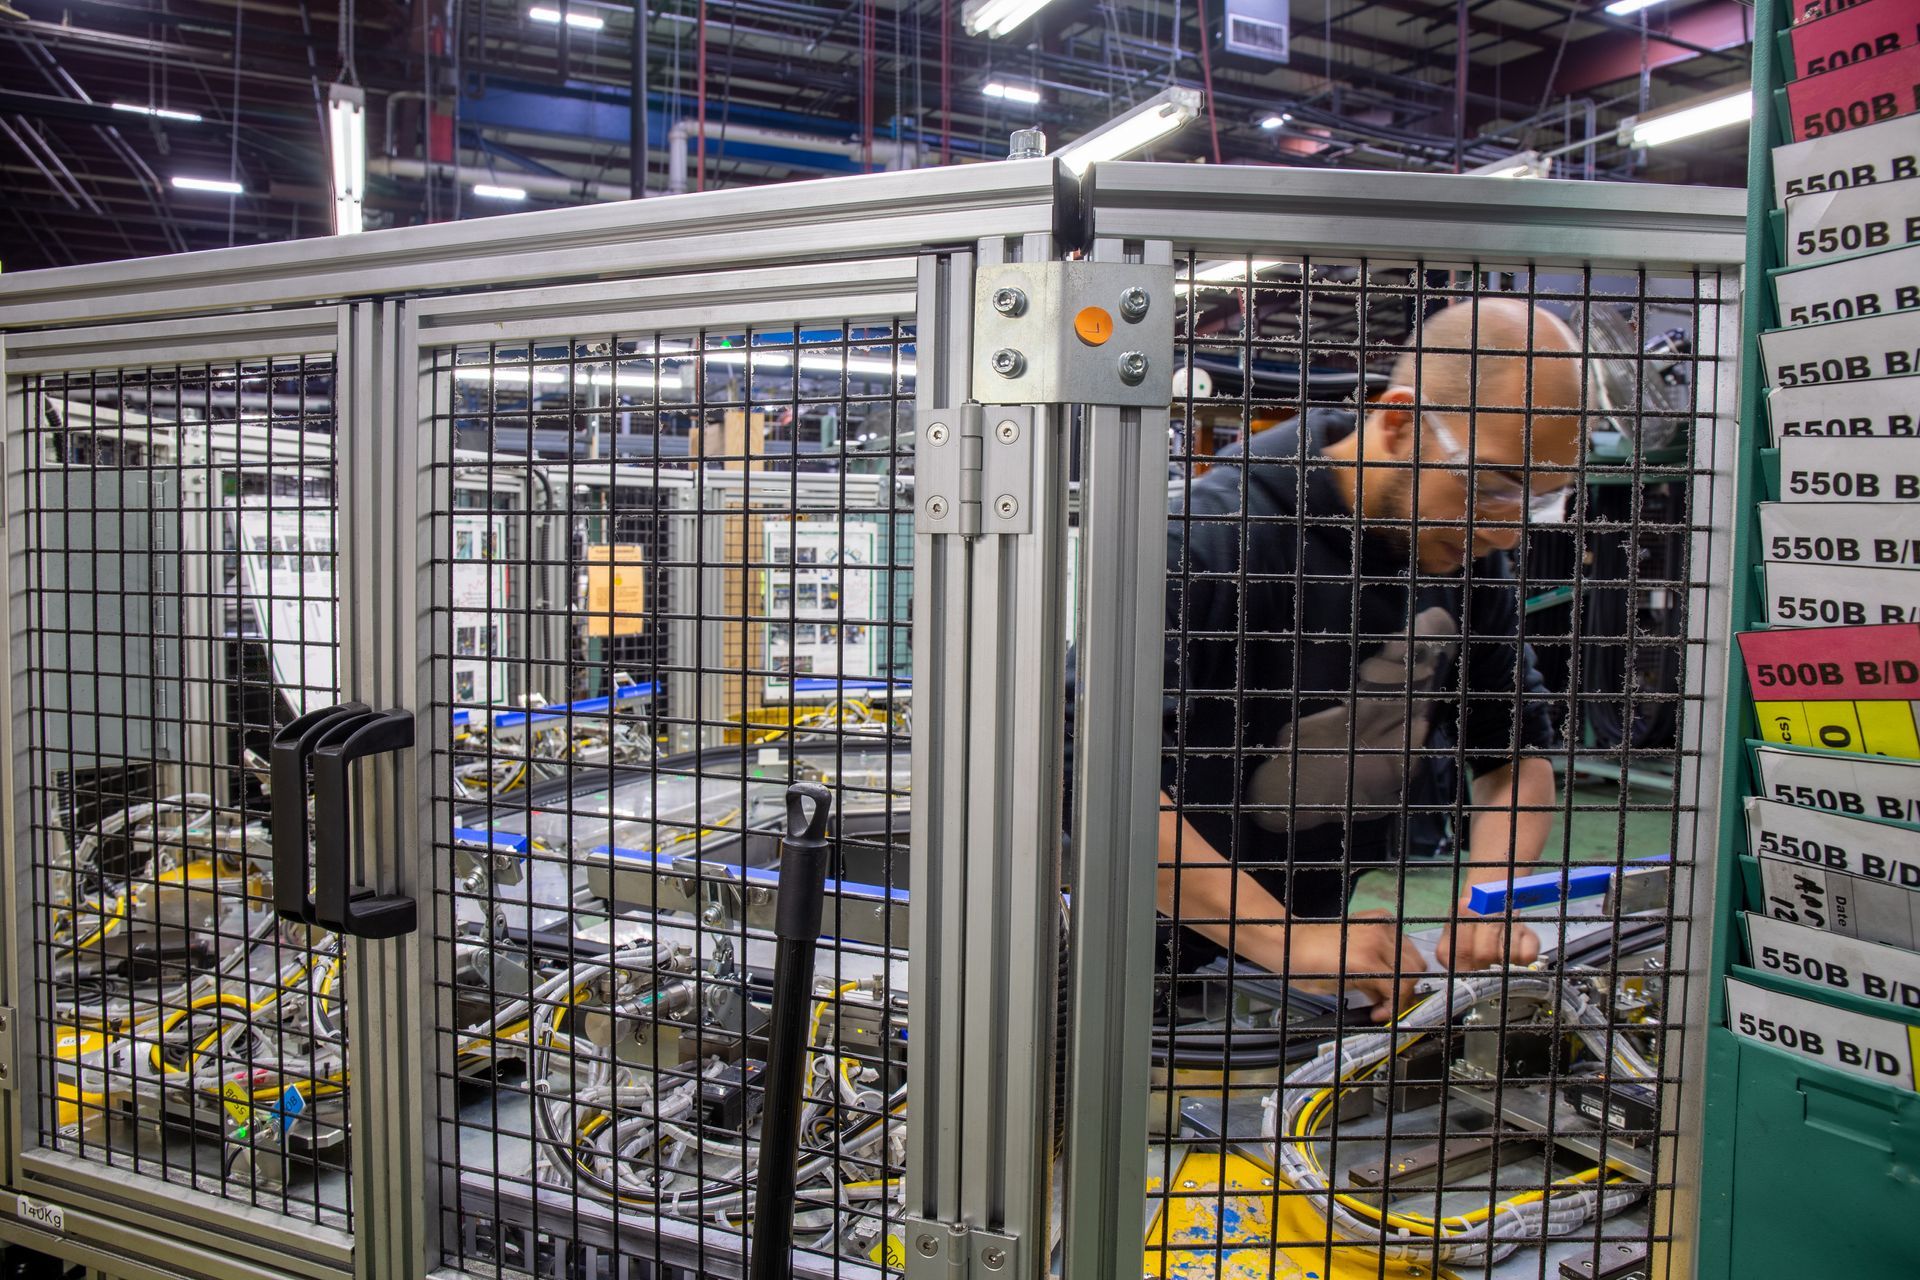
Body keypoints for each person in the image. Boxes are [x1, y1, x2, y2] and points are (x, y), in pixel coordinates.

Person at [1154, 297, 1582, 1023]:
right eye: (1493, 486)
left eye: (1537, 502)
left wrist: (1490, 899)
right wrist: (1282, 939)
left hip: (1289, 978)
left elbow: (1514, 750)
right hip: (1128, 961)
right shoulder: (1209, 539)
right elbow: (1092, 780)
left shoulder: (1462, 555)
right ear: (1399, 418)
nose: (1507, 533)